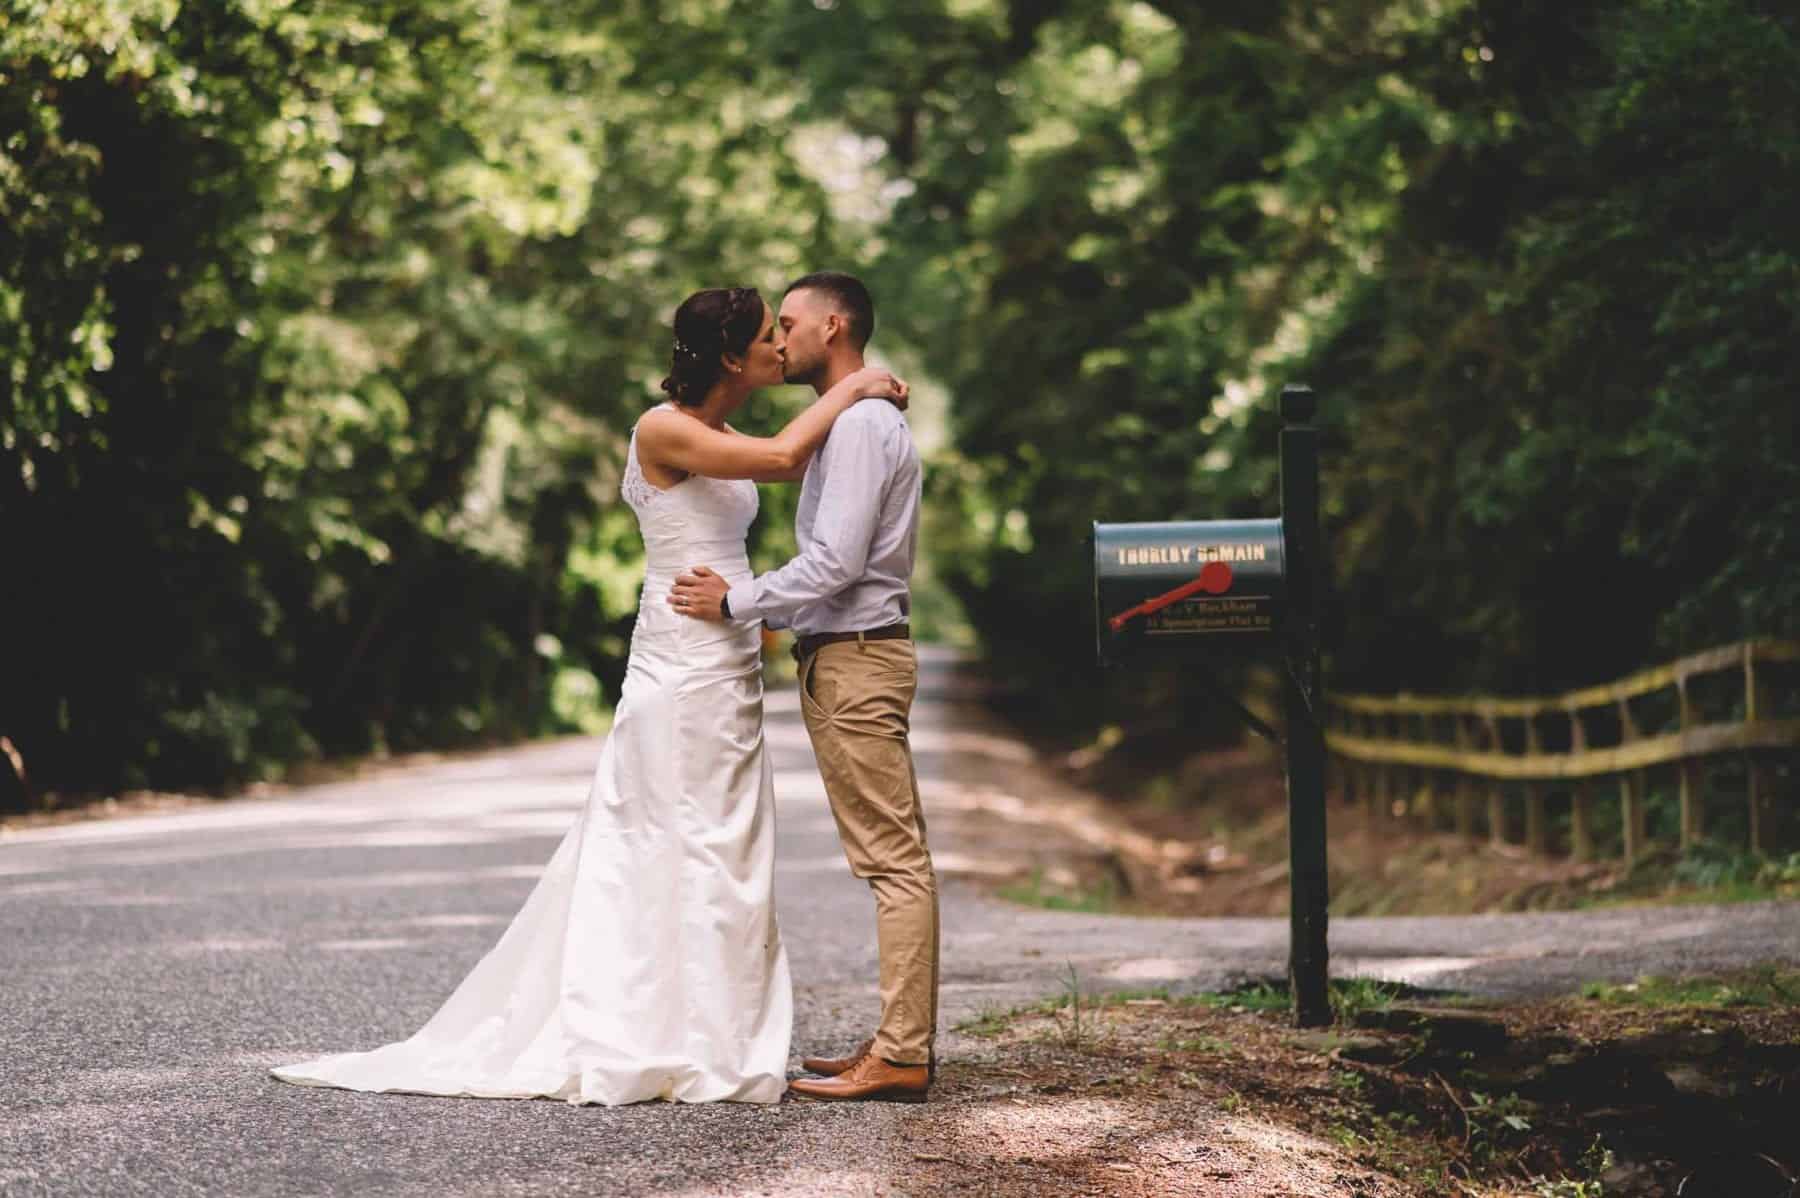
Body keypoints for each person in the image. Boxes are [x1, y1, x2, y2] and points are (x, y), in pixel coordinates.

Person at [269, 286, 907, 1105]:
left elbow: (804, 463)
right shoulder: (662, 428)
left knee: (726, 842)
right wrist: (853, 387)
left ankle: (712, 1029)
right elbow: (787, 459)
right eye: (765, 338)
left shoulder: (721, 432)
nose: (779, 350)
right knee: (676, 838)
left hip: (727, 659)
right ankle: (645, 1028)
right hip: (680, 663)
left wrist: (859, 416)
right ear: (729, 358)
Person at [670, 272, 937, 1104]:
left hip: (856, 658)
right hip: (851, 657)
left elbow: (834, 564)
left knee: (892, 862)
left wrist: (735, 602)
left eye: (789, 324)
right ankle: (898, 1041)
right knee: (892, 858)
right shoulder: (854, 418)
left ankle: (901, 1053)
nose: (779, 341)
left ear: (835, 323)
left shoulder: (860, 425)